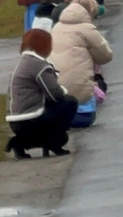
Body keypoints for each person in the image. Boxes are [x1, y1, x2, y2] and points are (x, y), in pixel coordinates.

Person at [5, 29, 77, 159]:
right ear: (44, 46)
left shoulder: (22, 64)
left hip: (16, 121)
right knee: (70, 102)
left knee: (55, 110)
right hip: (32, 118)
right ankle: (55, 143)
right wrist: (63, 90)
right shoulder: (38, 65)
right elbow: (55, 94)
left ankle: (19, 143)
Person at [48, 0, 114, 128]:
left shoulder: (55, 29)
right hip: (82, 114)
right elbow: (106, 56)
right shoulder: (87, 29)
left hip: (56, 106)